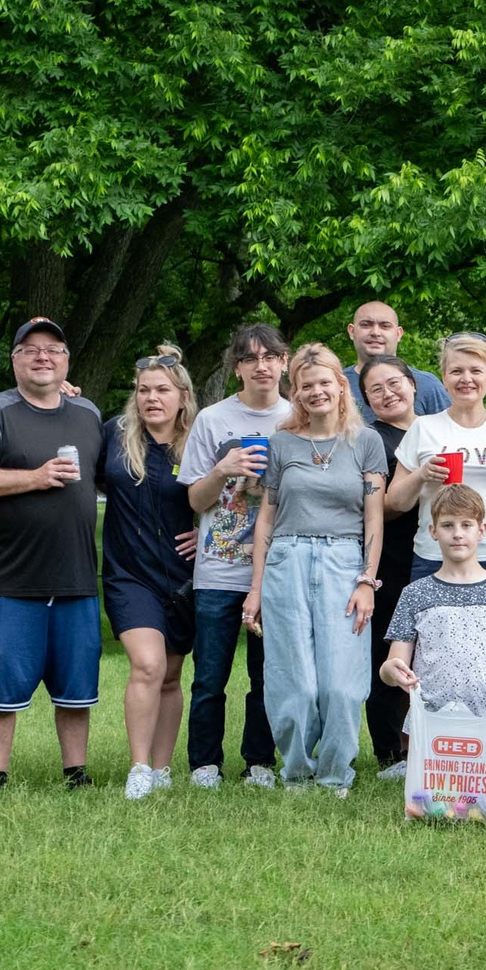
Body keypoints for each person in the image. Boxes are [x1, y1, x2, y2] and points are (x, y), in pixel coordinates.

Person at [0, 316, 106, 791]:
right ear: (14, 361)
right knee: (2, 689)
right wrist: (36, 477)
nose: (43, 356)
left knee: (76, 690)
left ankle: (75, 774)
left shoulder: (88, 414)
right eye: (31, 349)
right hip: (11, 577)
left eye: (54, 350)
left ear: (66, 362)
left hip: (77, 575)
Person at [246, 344, 390, 796]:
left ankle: (333, 775)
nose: (316, 391)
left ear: (341, 386)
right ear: (296, 392)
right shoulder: (282, 443)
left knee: (342, 685)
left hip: (344, 562)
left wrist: (368, 579)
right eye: (306, 385)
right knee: (296, 681)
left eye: (325, 382)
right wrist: (255, 589)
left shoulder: (366, 443)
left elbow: (374, 518)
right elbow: (265, 519)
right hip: (286, 560)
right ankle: (296, 772)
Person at [380, 485, 486, 805]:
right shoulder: (415, 594)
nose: (457, 534)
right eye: (448, 525)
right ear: (433, 531)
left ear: (482, 530)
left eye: (466, 525)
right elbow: (392, 663)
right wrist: (392, 671)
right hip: (433, 723)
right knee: (433, 808)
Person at [180, 324, 289, 790]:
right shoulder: (211, 419)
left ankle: (259, 762)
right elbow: (194, 501)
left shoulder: (297, 417)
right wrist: (222, 469)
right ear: (237, 367)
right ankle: (205, 763)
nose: (261, 366)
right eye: (250, 358)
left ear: (285, 362)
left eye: (270, 357)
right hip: (219, 568)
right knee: (209, 677)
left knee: (267, 675)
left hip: (279, 569)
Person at [99, 347, 200, 799]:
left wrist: (208, 531)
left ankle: (162, 769)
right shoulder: (113, 437)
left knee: (172, 675)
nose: (151, 398)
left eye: (162, 390)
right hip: (128, 573)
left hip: (183, 576)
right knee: (147, 665)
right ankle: (138, 768)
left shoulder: (200, 440)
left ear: (182, 395)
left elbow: (231, 498)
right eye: (143, 390)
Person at [389, 332, 486, 590]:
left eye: (476, 371)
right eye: (456, 371)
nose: (466, 379)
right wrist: (421, 475)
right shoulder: (423, 428)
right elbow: (396, 502)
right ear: (444, 379)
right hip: (434, 558)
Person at [358, 355, 425, 780]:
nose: (388, 393)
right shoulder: (370, 440)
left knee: (429, 656)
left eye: (395, 382)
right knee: (387, 655)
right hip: (390, 561)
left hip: (439, 555)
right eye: (375, 389)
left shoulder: (438, 429)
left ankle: (425, 742)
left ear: (413, 384)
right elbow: (380, 511)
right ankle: (389, 752)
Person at [340, 300, 448, 423]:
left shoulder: (428, 385)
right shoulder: (335, 385)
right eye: (366, 325)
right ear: (351, 331)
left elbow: (450, 433)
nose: (375, 332)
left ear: (398, 334)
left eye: (385, 326)